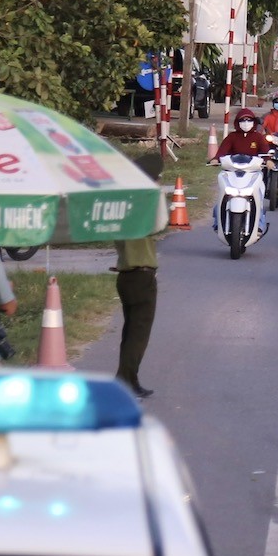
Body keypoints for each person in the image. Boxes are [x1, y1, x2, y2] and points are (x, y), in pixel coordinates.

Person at [114, 152, 163, 398]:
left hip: (124, 276)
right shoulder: (144, 206)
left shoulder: (121, 208)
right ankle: (124, 381)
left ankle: (128, 379)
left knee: (129, 332)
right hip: (142, 276)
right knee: (138, 336)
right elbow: (159, 224)